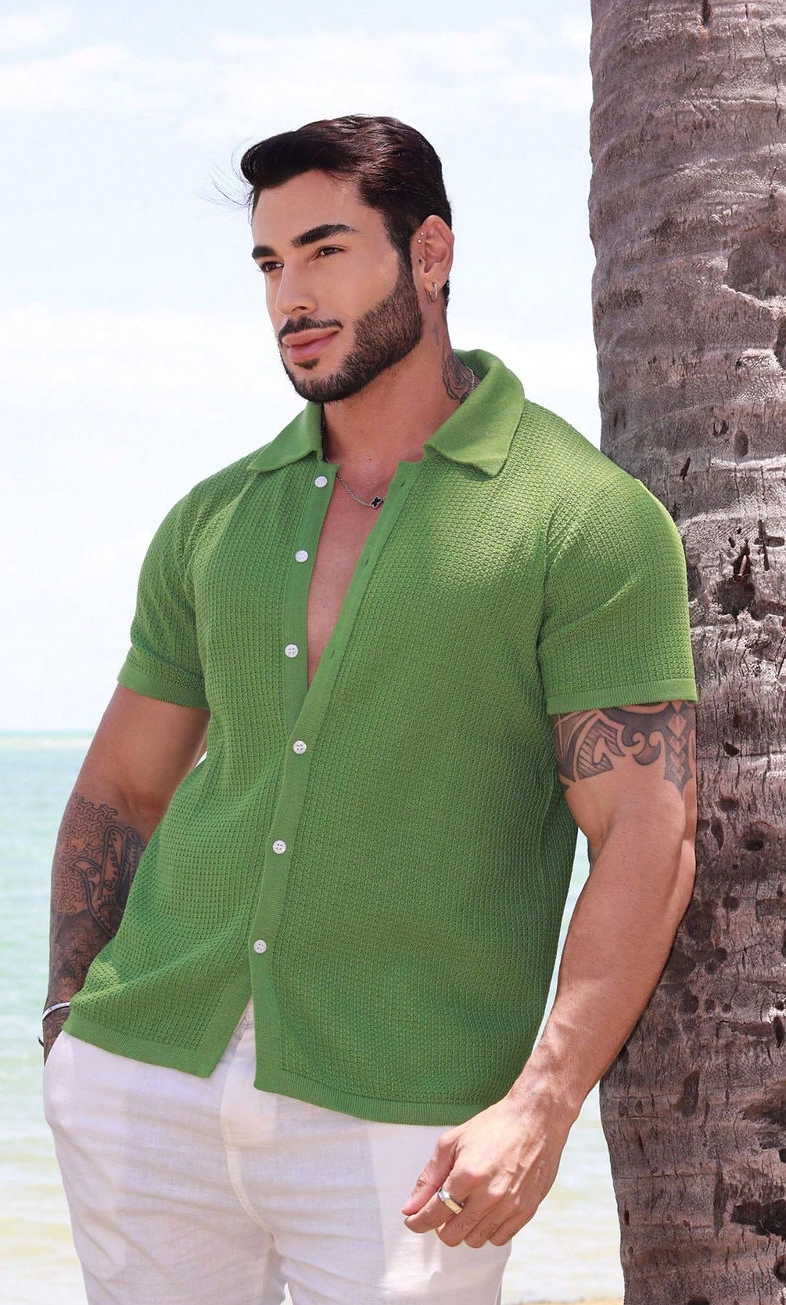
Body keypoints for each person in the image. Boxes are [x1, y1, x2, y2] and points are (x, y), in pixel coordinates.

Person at [42, 114, 697, 1305]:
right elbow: (123, 790)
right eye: (268, 263)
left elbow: (643, 834)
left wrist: (539, 1106)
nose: (289, 295)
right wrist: (69, 1032)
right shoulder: (216, 518)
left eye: (325, 251)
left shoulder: (580, 518)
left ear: (427, 254)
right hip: (144, 1087)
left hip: (408, 1123)